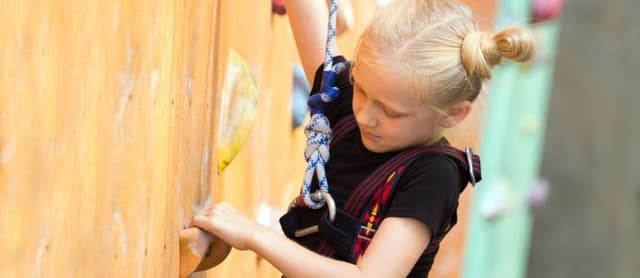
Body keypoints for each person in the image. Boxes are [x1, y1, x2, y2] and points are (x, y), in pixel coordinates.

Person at [191, 0, 536, 277]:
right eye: (361, 89)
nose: (365, 115)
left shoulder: (433, 176)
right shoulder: (350, 104)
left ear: (452, 114)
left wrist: (253, 236)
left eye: (391, 111)